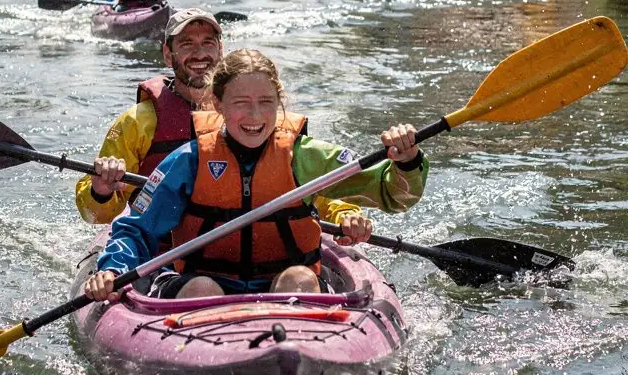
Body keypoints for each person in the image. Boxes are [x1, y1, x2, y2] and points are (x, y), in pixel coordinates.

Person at [82, 48, 427, 303]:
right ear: (217, 105)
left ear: (279, 103)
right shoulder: (189, 160)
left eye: (265, 102)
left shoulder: (305, 156)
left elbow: (392, 194)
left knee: (300, 281)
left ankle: (297, 353)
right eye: (241, 102)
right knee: (203, 288)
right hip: (204, 283)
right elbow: (135, 226)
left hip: (286, 283)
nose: (254, 115)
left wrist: (407, 160)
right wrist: (112, 269)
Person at [75, 11, 375, 245]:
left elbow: (309, 183)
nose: (200, 54)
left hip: (253, 246)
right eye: (187, 44)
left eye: (208, 43)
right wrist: (101, 191)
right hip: (162, 249)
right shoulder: (138, 122)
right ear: (168, 54)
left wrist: (346, 213)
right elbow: (94, 214)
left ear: (220, 49)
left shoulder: (253, 118)